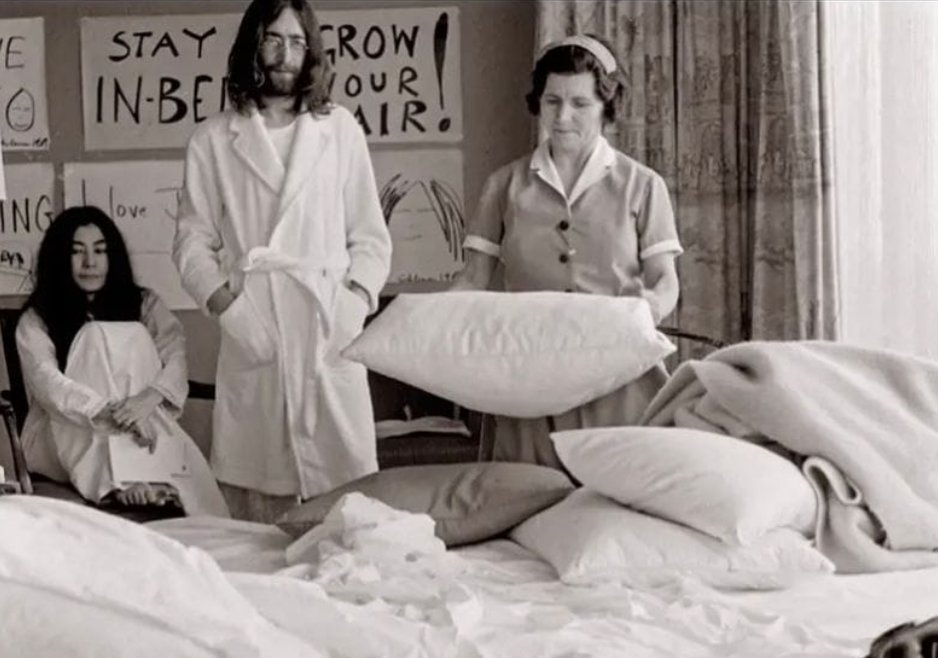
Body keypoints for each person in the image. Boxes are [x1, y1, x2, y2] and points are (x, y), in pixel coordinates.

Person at [173, 0, 392, 522]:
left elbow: (370, 237)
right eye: (273, 39)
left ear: (310, 50)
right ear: (252, 45)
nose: (285, 53)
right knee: (257, 512)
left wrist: (351, 307)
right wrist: (231, 311)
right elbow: (191, 242)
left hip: (326, 324)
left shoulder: (339, 129)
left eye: (297, 41)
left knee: (347, 510)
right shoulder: (213, 139)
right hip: (257, 322)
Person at [452, 34, 682, 467]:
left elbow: (665, 280)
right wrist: (430, 326)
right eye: (552, 101)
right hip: (529, 383)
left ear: (606, 106)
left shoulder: (642, 185)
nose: (562, 117)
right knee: (526, 494)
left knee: (618, 496)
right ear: (537, 102)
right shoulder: (504, 186)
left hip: (619, 380)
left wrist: (646, 311)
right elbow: (473, 279)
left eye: (580, 104)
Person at [16, 206, 228, 517]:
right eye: (77, 251)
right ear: (60, 258)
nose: (90, 262)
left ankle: (142, 474)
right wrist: (107, 412)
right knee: (95, 334)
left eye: (100, 251)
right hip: (70, 429)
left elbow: (175, 355)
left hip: (141, 418)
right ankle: (123, 479)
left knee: (133, 334)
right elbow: (47, 382)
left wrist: (145, 401)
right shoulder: (37, 318)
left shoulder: (144, 303)